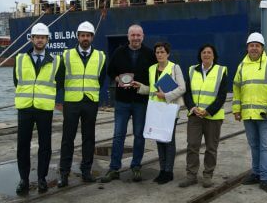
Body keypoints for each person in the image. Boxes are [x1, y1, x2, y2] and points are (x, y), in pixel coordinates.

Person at [102, 24, 156, 183]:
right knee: (118, 135)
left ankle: (136, 166)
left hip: (141, 101)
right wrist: (118, 79)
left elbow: (155, 75)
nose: (136, 38)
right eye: (133, 35)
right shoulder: (119, 52)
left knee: (139, 135)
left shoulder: (149, 54)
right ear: (128, 37)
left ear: (143, 36)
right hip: (122, 101)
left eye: (138, 35)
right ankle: (114, 168)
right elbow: (110, 70)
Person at [14, 22, 64, 195]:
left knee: (45, 145)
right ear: (32, 39)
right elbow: (16, 81)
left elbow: (59, 83)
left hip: (44, 108)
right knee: (23, 145)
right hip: (25, 108)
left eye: (43, 37)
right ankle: (24, 180)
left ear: (47, 40)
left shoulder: (56, 61)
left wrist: (44, 95)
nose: (40, 40)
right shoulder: (20, 59)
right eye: (37, 37)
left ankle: (42, 179)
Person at [232, 32, 267, 194]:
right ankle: (256, 174)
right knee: (254, 146)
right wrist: (236, 109)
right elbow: (237, 89)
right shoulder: (242, 66)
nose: (254, 48)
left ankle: (266, 179)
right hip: (248, 115)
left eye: (257, 46)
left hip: (265, 116)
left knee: (265, 147)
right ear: (247, 47)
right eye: (251, 45)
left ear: (262, 48)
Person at [58, 21, 106, 187]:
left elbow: (101, 77)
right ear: (78, 37)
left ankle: (86, 171)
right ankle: (64, 173)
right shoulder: (66, 55)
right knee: (67, 139)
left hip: (90, 101)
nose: (85, 38)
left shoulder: (100, 56)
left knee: (89, 138)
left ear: (92, 37)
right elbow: (60, 78)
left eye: (88, 35)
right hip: (71, 102)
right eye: (82, 35)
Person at [133, 42, 185, 184]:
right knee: (159, 140)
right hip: (155, 109)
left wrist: (166, 96)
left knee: (168, 140)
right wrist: (141, 87)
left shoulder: (174, 68)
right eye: (157, 52)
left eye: (162, 52)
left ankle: (169, 172)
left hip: (170, 109)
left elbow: (182, 88)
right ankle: (162, 170)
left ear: (168, 54)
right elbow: (153, 89)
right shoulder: (151, 69)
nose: (160, 54)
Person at [179, 44, 228, 189]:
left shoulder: (221, 71)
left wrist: (208, 111)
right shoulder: (192, 70)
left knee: (211, 147)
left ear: (214, 55)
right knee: (192, 145)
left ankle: (208, 175)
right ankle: (191, 175)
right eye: (204, 52)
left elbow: (222, 96)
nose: (206, 54)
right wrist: (193, 108)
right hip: (195, 116)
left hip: (212, 117)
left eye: (209, 52)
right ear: (200, 55)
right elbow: (187, 92)